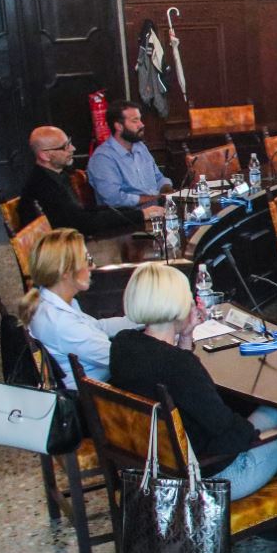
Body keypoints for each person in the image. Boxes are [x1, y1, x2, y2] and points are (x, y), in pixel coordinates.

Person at [108, 263, 277, 553]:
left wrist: (186, 336)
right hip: (207, 478)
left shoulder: (124, 346)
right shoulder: (179, 367)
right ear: (176, 304)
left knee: (269, 424)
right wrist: (254, 429)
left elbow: (181, 382)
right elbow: (229, 430)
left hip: (158, 468)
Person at [18, 228, 137, 390]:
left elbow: (98, 327)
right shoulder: (62, 323)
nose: (92, 266)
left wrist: (145, 319)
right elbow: (123, 360)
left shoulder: (51, 302)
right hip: (99, 396)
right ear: (65, 272)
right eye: (87, 260)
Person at [19, 126, 163, 233]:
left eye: (69, 142)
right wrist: (141, 215)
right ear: (44, 155)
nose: (73, 148)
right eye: (65, 147)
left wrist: (131, 212)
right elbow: (83, 223)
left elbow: (83, 212)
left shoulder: (58, 175)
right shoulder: (42, 186)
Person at [85, 100, 173, 209]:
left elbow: (158, 177)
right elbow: (114, 199)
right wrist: (154, 198)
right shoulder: (102, 158)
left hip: (157, 208)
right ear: (119, 126)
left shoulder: (140, 147)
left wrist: (167, 190)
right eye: (135, 121)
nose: (141, 124)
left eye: (140, 119)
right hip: (130, 216)